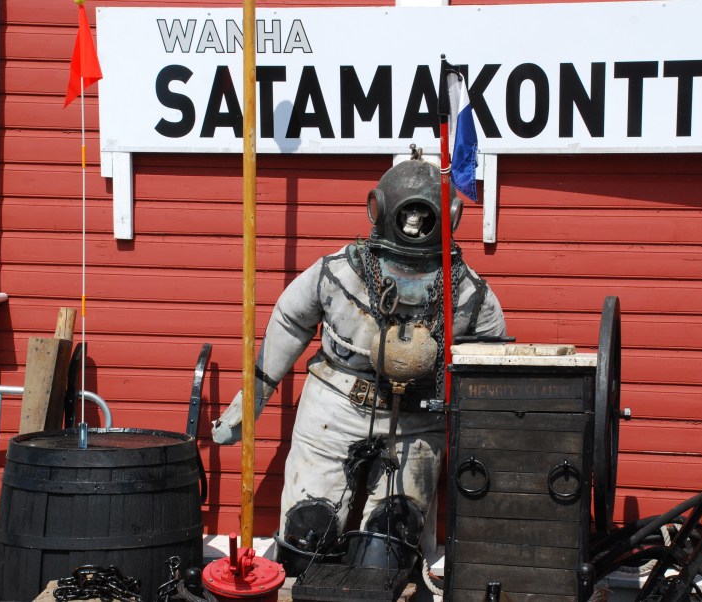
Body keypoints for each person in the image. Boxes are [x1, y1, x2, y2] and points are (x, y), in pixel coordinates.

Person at [211, 148, 507, 573]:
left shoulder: (470, 295)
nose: (414, 223)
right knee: (304, 538)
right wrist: (252, 398)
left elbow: (491, 370)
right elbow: (291, 321)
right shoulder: (338, 272)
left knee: (389, 549)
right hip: (333, 409)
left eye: (425, 216)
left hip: (416, 424)